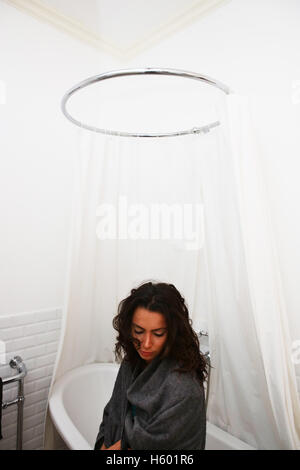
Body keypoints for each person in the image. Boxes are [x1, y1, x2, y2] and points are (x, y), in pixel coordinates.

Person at [94, 281, 208, 450]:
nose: (146, 344)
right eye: (139, 331)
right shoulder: (132, 362)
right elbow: (113, 413)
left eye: (158, 333)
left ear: (173, 333)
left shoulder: (184, 390)